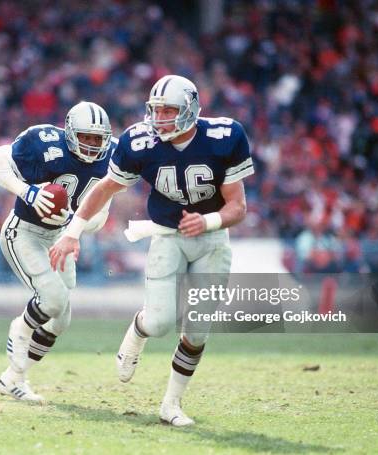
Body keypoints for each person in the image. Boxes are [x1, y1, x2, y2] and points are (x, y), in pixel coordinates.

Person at [49, 75, 254, 426]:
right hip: (168, 234)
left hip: (213, 238)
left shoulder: (225, 136)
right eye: (156, 110)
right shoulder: (139, 141)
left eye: (169, 111)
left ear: (190, 110)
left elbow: (238, 207)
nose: (159, 119)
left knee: (198, 326)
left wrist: (207, 223)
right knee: (160, 322)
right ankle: (138, 330)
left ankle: (171, 405)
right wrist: (73, 231)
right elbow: (105, 188)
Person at [0, 101, 116, 403]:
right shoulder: (43, 142)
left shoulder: (112, 157)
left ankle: (12, 378)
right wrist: (28, 191)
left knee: (60, 319)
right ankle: (19, 341)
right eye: (86, 137)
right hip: (23, 231)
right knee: (53, 298)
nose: (93, 145)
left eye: (98, 138)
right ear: (69, 133)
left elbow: (101, 216)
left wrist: (73, 227)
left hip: (59, 238)